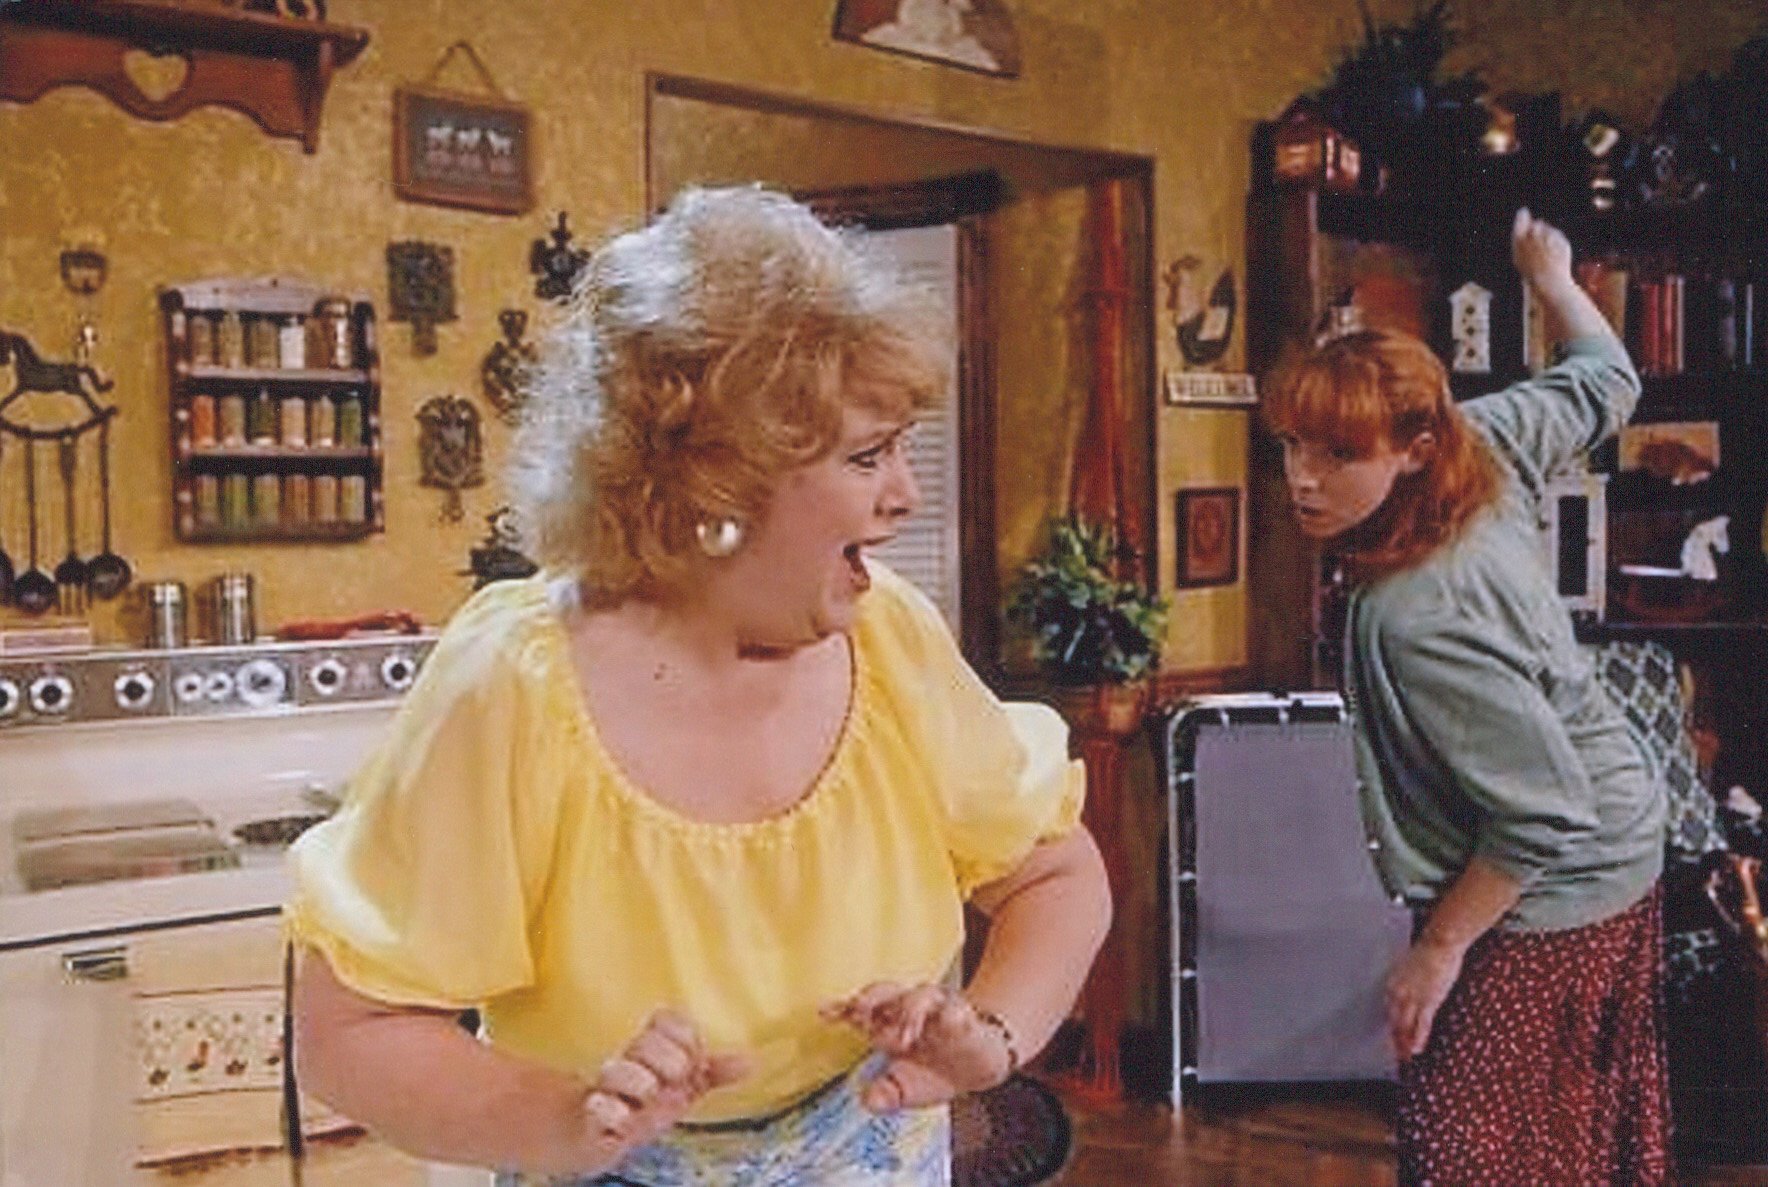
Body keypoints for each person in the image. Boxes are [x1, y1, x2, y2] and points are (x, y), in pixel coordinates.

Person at [286, 185, 1111, 1185]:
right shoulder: (515, 684)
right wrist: (571, 1116)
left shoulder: (892, 637)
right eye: (867, 456)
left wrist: (990, 1035)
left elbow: (1057, 877)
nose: (905, 492)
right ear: (715, 483)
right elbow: (349, 1030)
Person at [1263, 209, 1672, 1185]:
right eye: (1292, 445)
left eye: (1338, 456)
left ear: (1412, 447)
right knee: (1555, 1134)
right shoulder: (1475, 442)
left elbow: (1541, 812)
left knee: (1463, 1143)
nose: (1303, 480)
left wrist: (1438, 948)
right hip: (1615, 835)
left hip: (1563, 873)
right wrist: (1551, 279)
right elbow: (1605, 378)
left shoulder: (1420, 613)